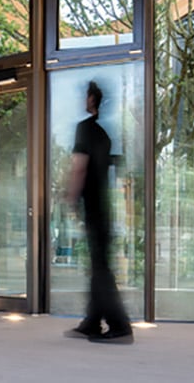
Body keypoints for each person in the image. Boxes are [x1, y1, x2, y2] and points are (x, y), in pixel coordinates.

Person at [65, 79, 133, 343]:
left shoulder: (85, 129)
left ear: (92, 99)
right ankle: (92, 322)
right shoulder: (104, 135)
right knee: (97, 265)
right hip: (103, 206)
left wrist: (71, 197)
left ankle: (120, 327)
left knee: (101, 268)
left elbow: (79, 167)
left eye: (85, 95)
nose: (82, 100)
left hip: (93, 207)